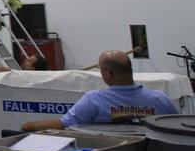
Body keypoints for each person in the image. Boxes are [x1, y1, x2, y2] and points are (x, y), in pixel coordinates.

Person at [21, 50, 179, 131]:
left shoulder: (94, 100)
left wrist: (29, 125)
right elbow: (177, 127)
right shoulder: (160, 99)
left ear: (108, 74)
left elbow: (62, 124)